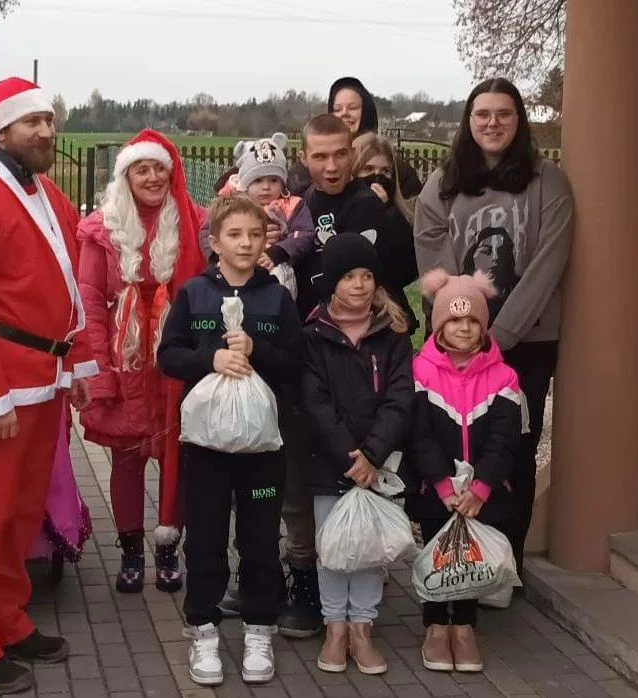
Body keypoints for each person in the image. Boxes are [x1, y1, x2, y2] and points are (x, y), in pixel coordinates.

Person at [0, 76, 97, 695]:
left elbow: (69, 286)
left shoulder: (47, 194)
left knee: (23, 510)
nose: (47, 131)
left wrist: (78, 362)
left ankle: (7, 617)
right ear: (0, 130)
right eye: (33, 122)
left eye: (50, 121)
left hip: (46, 376)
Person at [413, 77, 573, 585]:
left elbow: (548, 264)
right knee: (454, 449)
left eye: (504, 114)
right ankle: (455, 564)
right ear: (468, 121)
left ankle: (504, 567)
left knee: (511, 452)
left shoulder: (549, 182)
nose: (493, 123)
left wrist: (496, 338)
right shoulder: (443, 184)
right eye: (482, 114)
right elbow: (434, 259)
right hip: (458, 343)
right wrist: (464, 331)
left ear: (519, 120)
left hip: (525, 344)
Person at [157, 194, 303, 686]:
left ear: (266, 240)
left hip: (262, 452)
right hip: (205, 451)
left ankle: (260, 627)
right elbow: (168, 356)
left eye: (255, 234)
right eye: (234, 235)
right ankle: (202, 628)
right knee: (205, 539)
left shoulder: (276, 298)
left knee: (260, 538)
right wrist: (211, 359)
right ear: (214, 242)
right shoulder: (194, 294)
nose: (245, 243)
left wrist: (257, 350)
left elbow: (294, 365)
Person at [76, 129, 206, 594]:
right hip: (123, 357)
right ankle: (131, 549)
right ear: (126, 175)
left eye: (158, 169)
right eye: (141, 169)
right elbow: (89, 302)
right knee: (126, 460)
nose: (151, 177)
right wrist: (98, 374)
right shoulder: (101, 230)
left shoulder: (194, 222)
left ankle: (169, 547)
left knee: (178, 458)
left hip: (175, 359)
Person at [302, 233, 414, 676]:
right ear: (332, 283)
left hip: (378, 463)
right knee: (333, 547)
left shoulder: (392, 335)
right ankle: (335, 626)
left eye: (367, 276)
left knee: (368, 548)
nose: (360, 285)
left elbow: (400, 398)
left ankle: (362, 626)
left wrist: (372, 453)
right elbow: (314, 401)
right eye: (349, 276)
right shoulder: (313, 336)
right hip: (329, 462)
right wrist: (349, 455)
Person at [405, 269, 525, 674]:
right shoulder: (420, 372)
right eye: (453, 320)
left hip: (480, 493)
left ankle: (465, 626)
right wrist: (442, 484)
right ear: (438, 325)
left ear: (484, 326)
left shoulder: (504, 377)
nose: (463, 327)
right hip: (434, 489)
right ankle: (437, 625)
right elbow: (419, 435)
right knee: (438, 554)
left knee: (470, 557)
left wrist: (481, 487)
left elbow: (504, 440)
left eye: (472, 320)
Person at [298, 115, 412, 327]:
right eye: (320, 157)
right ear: (303, 158)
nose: (331, 166)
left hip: (347, 331)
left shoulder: (365, 205)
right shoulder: (300, 199)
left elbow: (350, 282)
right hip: (304, 328)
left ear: (352, 153)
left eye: (340, 154)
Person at [200, 133, 311, 299]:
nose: (266, 187)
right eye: (258, 180)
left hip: (274, 264)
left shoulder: (291, 205)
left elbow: (304, 232)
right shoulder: (230, 205)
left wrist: (279, 251)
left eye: (273, 180)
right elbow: (207, 231)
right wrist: (217, 255)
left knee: (280, 283)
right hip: (233, 263)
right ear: (245, 183)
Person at [287, 76, 424, 199]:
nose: (344, 113)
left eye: (352, 108)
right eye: (337, 109)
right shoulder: (307, 168)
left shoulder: (392, 161)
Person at [352, 132, 420, 335]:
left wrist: (382, 214)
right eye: (368, 169)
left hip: (390, 313)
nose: (378, 176)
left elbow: (404, 269)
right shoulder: (343, 211)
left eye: (385, 171)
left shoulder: (400, 216)